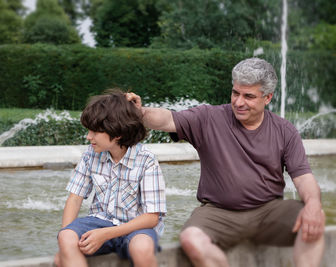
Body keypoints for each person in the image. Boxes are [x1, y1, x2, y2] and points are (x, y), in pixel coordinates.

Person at [126, 57, 325, 267]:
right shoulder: (209, 118)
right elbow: (167, 119)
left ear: (267, 98)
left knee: (314, 218)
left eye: (248, 96)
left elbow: (303, 178)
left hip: (269, 210)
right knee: (191, 239)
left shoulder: (285, 131)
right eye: (235, 93)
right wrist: (140, 112)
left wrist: (313, 204)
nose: (239, 102)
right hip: (218, 212)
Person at [55, 89, 167, 267]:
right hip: (98, 222)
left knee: (142, 248)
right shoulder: (90, 155)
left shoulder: (146, 160)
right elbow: (74, 199)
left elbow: (151, 217)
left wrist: (107, 233)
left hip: (135, 228)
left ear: (117, 134)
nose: (88, 137)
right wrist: (65, 243)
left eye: (94, 132)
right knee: (66, 237)